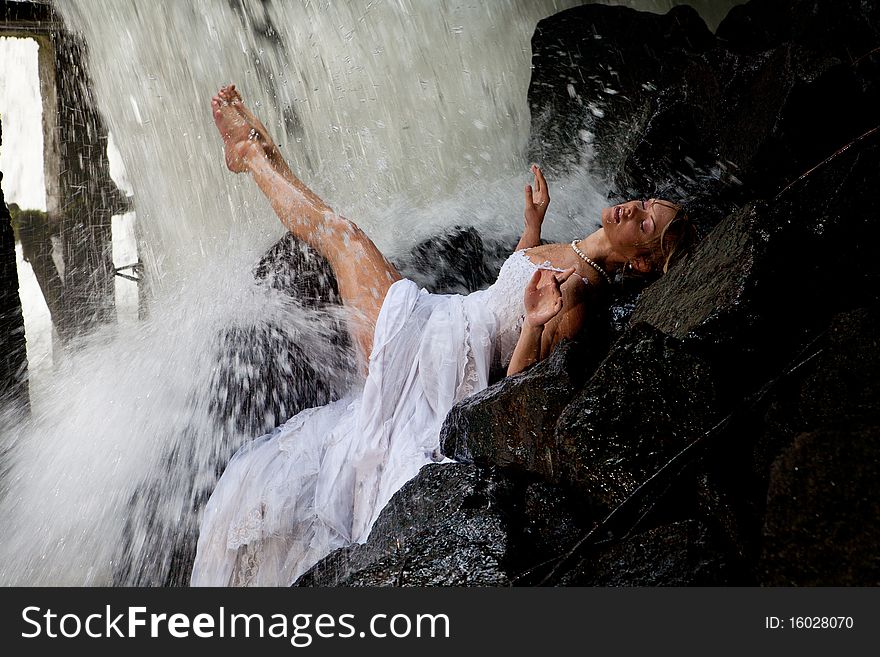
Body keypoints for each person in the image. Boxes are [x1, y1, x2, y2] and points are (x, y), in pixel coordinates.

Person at [190, 85, 695, 586]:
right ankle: (258, 152)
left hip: (436, 359)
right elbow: (510, 291)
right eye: (645, 201)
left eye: (646, 221)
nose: (633, 208)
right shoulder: (577, 254)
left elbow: (518, 382)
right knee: (338, 233)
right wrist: (531, 228)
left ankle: (254, 156)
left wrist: (540, 322)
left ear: (644, 260)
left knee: (340, 236)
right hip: (444, 323)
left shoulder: (581, 295)